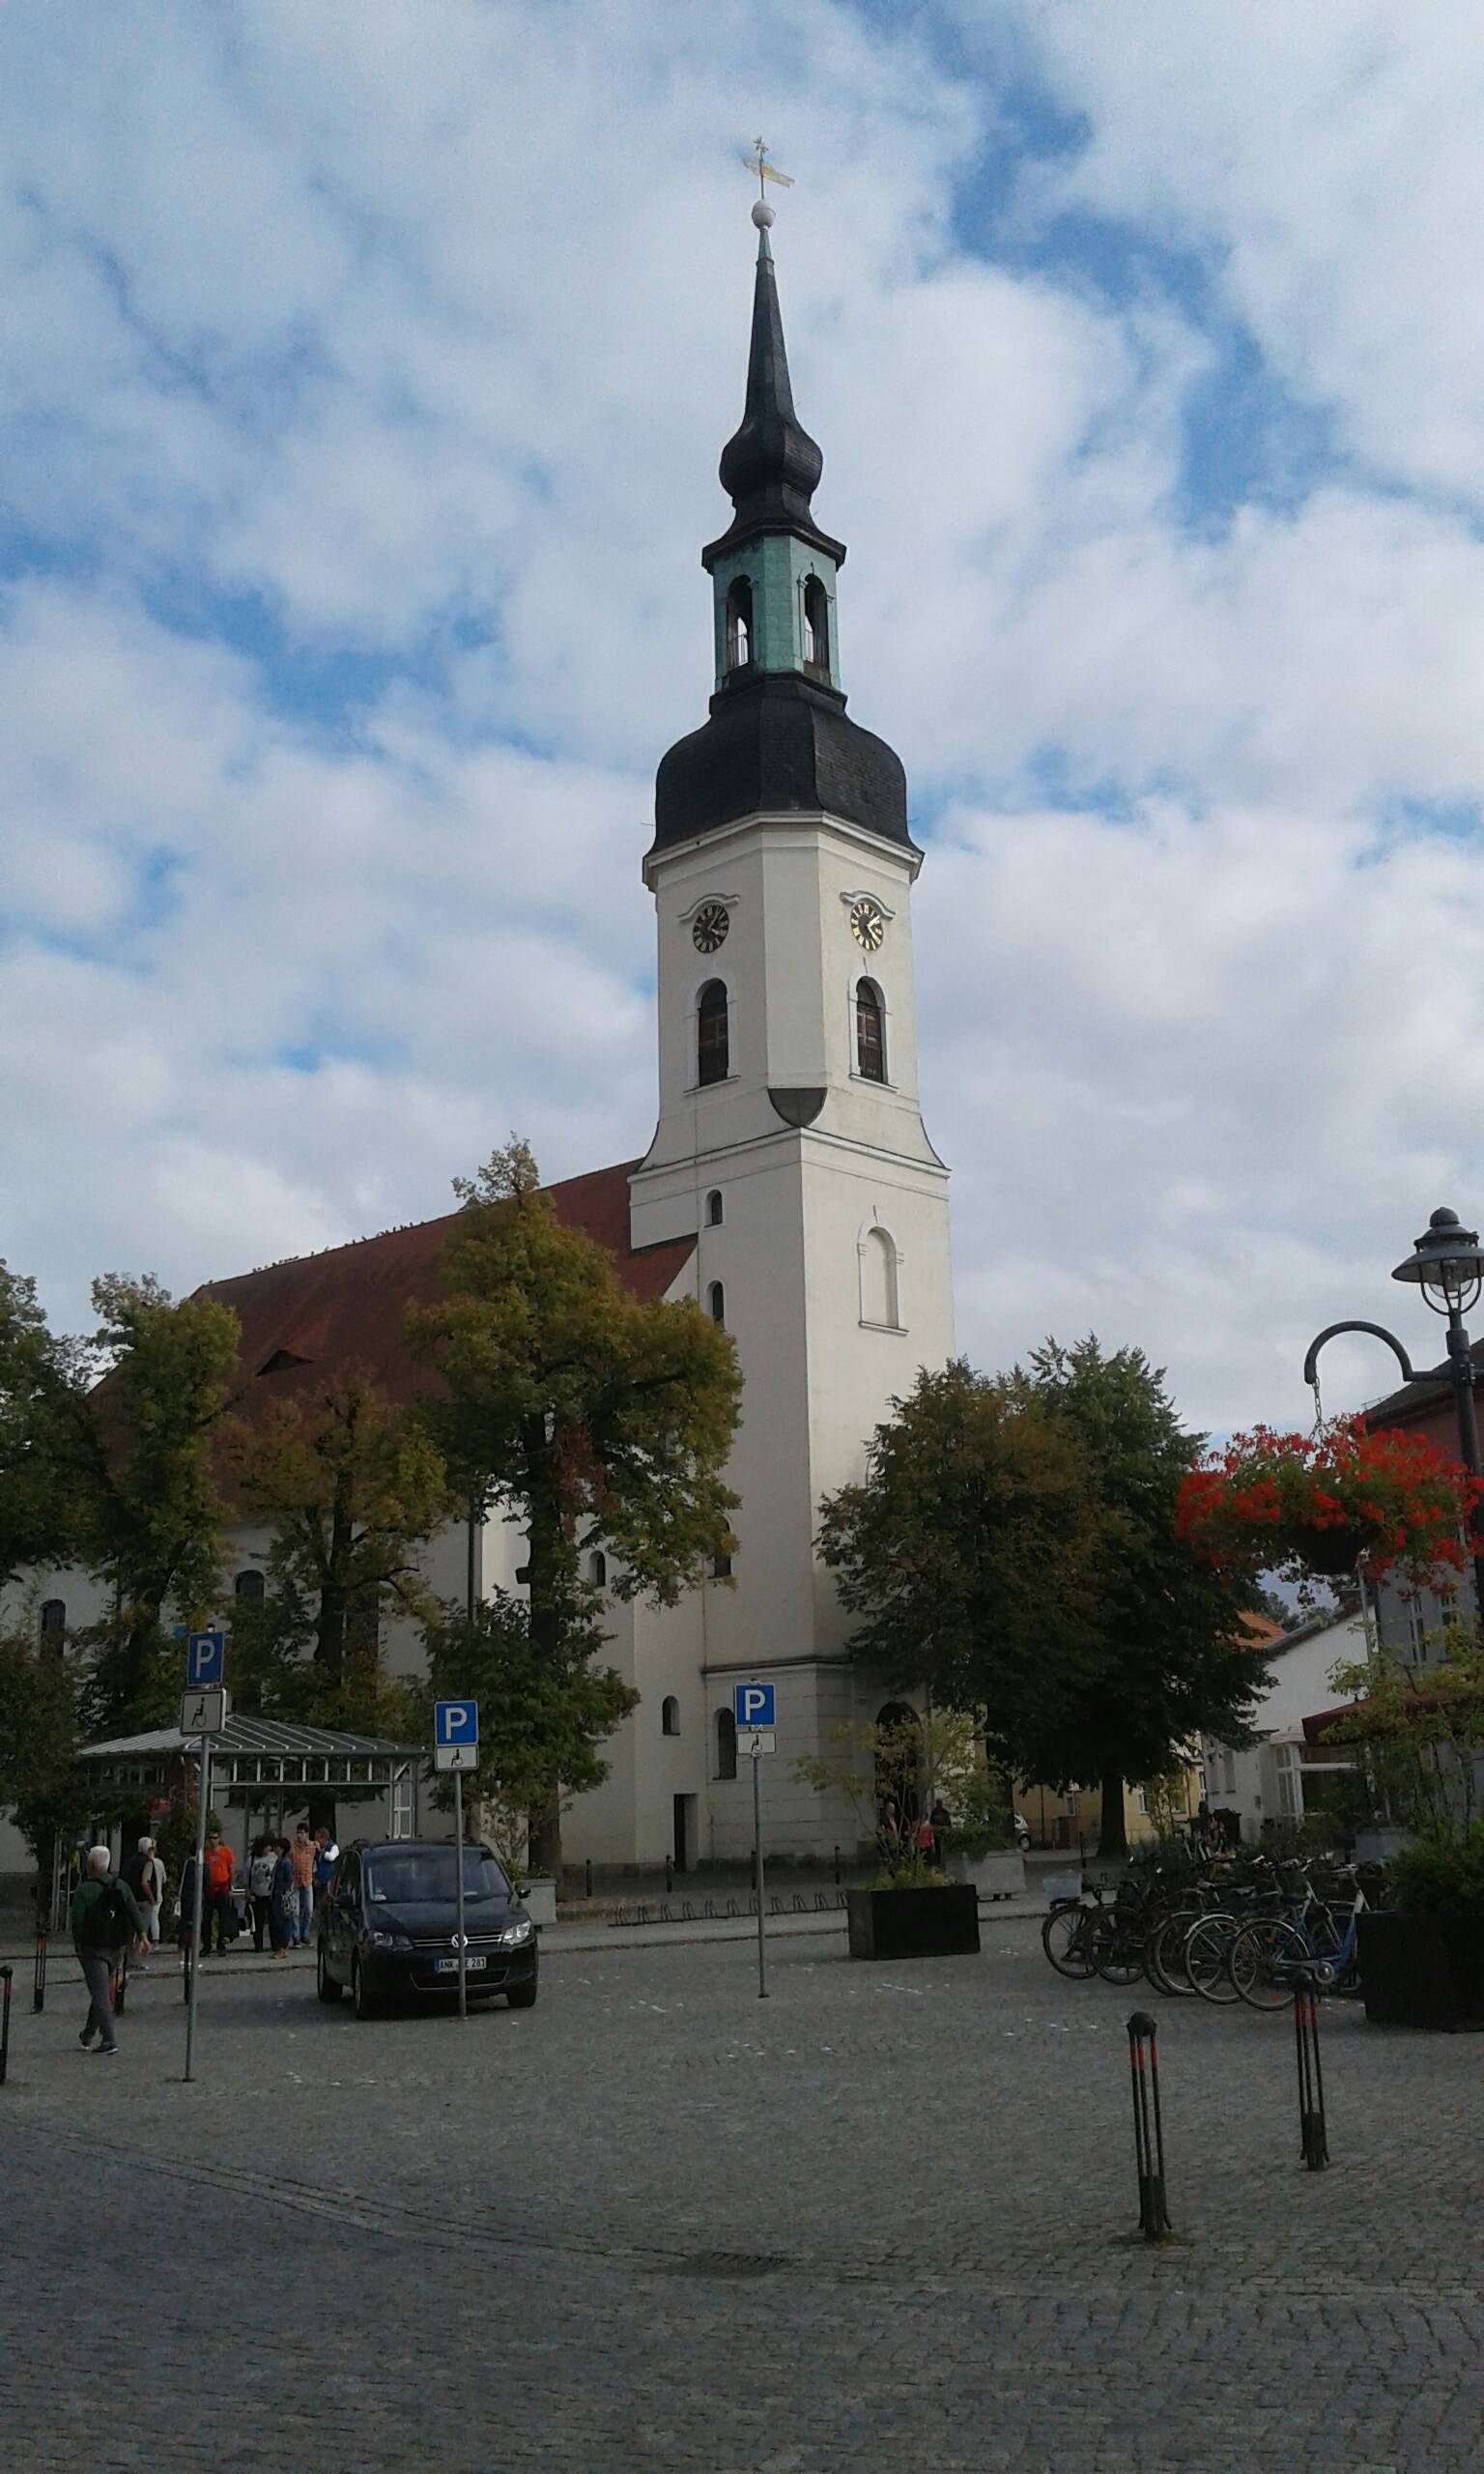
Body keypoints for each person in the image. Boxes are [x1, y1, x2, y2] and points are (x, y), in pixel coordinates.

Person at [70, 1845, 148, 2057]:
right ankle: (87, 2034)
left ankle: (109, 2039)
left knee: (101, 1994)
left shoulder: (84, 1890)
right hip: (117, 1947)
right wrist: (142, 1935)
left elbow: (77, 1920)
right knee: (102, 1990)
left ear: (89, 1865)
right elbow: (133, 1910)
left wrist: (79, 1944)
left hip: (93, 1948)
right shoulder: (120, 1885)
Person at [123, 1836, 165, 1968]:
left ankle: (128, 1960)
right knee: (142, 1932)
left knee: (131, 1933)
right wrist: (152, 1898)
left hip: (132, 1899)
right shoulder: (148, 1862)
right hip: (143, 1901)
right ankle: (136, 1961)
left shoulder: (132, 1860)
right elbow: (144, 1882)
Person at [200, 1827, 236, 1955]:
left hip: (222, 1888)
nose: (212, 1841)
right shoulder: (206, 1853)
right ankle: (207, 1945)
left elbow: (231, 1869)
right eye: (210, 1838)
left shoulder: (225, 1851)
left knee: (223, 1918)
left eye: (214, 1838)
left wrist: (231, 1886)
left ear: (219, 1839)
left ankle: (221, 1945)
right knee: (207, 1919)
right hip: (209, 1889)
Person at [247, 1835, 278, 1951]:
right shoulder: (252, 1859)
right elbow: (247, 1877)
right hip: (257, 1893)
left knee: (273, 1921)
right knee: (258, 1921)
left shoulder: (274, 1858)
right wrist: (248, 1891)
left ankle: (275, 1944)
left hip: (271, 1893)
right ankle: (258, 1945)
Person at [290, 1823, 315, 1946]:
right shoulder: (293, 1847)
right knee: (295, 1910)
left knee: (308, 1909)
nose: (299, 1835)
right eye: (298, 1832)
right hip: (295, 1882)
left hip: (307, 1881)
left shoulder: (312, 1846)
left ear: (307, 1834)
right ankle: (296, 1936)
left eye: (302, 1833)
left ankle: (305, 1933)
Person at [271, 1837, 297, 1955]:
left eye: (277, 1847)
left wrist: (284, 1893)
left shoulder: (286, 1863)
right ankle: (279, 1947)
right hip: (276, 1894)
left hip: (283, 1896)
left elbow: (289, 1880)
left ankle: (283, 1947)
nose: (275, 1849)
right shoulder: (279, 1861)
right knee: (278, 1922)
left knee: (284, 1921)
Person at [312, 1825, 339, 1916]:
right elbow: (315, 1864)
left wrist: (321, 1851)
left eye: (318, 1839)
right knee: (320, 1905)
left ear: (323, 1839)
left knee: (327, 1903)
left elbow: (331, 1857)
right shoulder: (317, 1851)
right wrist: (314, 1876)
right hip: (320, 1881)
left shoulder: (333, 1847)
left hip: (330, 1881)